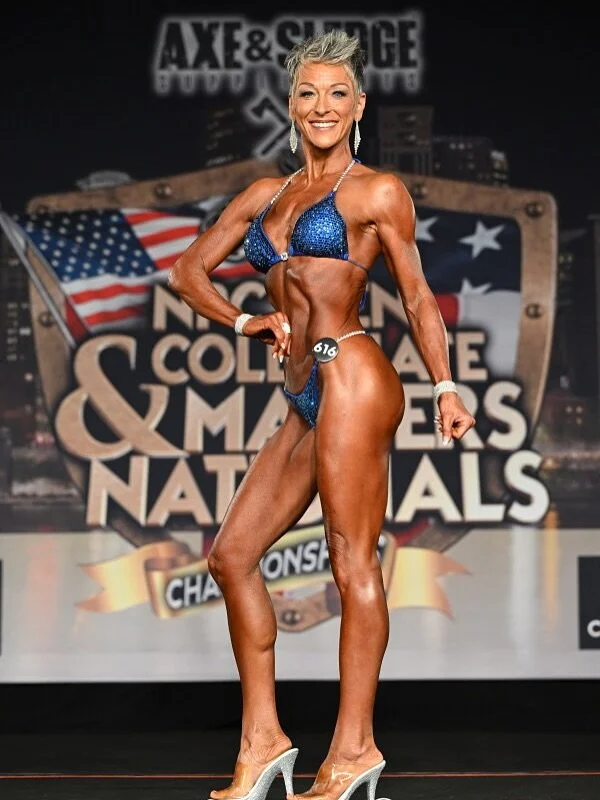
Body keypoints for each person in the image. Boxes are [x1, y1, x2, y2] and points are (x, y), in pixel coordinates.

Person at [168, 29, 475, 800]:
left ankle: (353, 750)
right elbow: (187, 271)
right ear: (290, 104)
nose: (322, 106)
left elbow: (414, 295)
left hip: (355, 374)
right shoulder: (265, 197)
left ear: (360, 104)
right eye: (308, 93)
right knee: (232, 556)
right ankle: (262, 741)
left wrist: (445, 387)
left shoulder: (377, 192)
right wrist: (246, 324)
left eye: (338, 93)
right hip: (303, 393)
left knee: (350, 562)